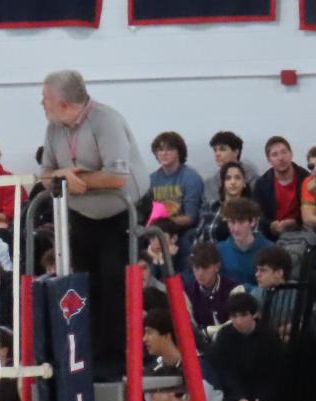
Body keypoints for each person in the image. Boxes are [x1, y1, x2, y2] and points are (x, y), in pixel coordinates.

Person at [39, 70, 139, 374]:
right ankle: (85, 357)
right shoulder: (54, 128)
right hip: (80, 216)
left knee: (112, 284)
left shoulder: (106, 121)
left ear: (64, 103)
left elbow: (117, 177)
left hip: (119, 215)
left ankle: (115, 361)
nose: (41, 105)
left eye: (45, 99)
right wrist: (62, 176)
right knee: (80, 287)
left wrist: (81, 179)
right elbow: (45, 175)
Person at [145, 131, 205, 240]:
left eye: (169, 149)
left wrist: (163, 222)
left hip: (182, 233)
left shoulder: (191, 178)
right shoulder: (151, 179)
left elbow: (191, 218)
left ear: (179, 152)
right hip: (155, 232)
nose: (164, 153)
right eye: (160, 150)